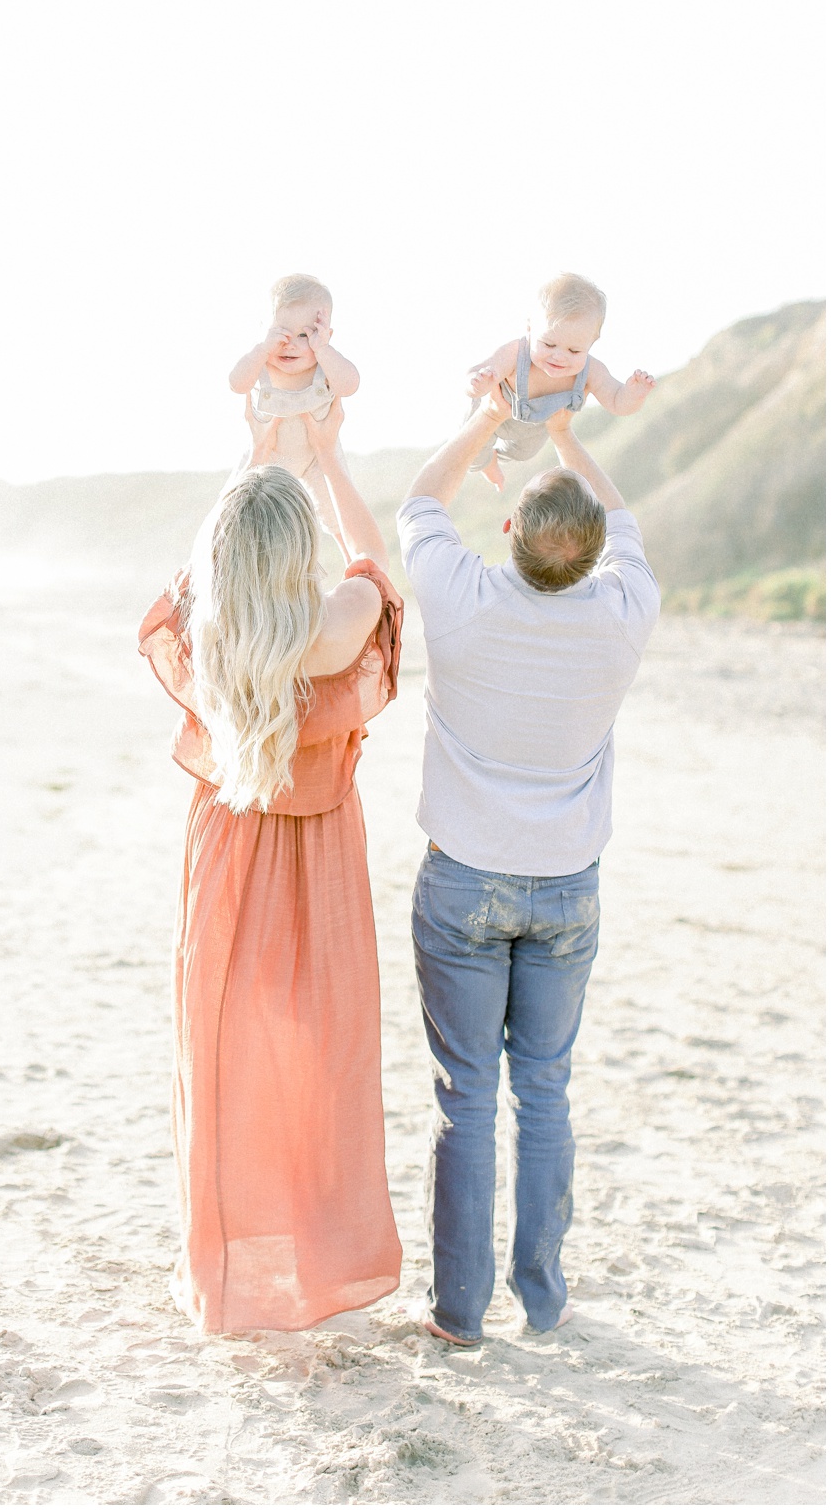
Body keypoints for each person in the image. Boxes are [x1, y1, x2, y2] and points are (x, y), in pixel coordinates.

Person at [396, 393, 660, 1347]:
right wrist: (568, 436)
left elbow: (420, 501)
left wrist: (482, 419)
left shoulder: (461, 597)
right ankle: (542, 1301)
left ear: (508, 531)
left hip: (463, 880)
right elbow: (626, 527)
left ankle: (459, 1315)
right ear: (591, 556)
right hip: (568, 888)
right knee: (542, 1091)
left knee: (466, 1097)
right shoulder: (626, 613)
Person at [138, 397, 402, 1334]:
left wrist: (254, 457)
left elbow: (193, 579)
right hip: (318, 868)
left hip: (228, 857)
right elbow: (376, 565)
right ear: (300, 556)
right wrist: (326, 463)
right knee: (320, 1064)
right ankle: (322, 1265)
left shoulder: (210, 635)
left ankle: (228, 1270)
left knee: (222, 1057)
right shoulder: (339, 625)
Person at [463, 272, 656, 491]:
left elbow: (616, 402)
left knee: (525, 453)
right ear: (529, 328)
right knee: (472, 455)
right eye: (548, 344)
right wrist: (477, 383)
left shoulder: (591, 370)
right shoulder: (516, 354)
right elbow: (477, 371)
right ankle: (488, 465)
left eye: (574, 350)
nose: (559, 357)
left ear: (592, 342)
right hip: (491, 413)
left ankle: (498, 457)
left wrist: (634, 394)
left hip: (533, 429)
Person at [228, 273, 360, 539]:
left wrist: (323, 349)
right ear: (264, 330)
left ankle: (354, 560)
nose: (290, 344)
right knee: (236, 506)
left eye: (305, 334)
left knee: (337, 515)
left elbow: (350, 385)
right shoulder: (261, 364)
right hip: (266, 454)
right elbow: (236, 383)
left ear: (326, 335)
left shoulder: (326, 364)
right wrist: (262, 350)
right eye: (280, 333)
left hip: (318, 456)